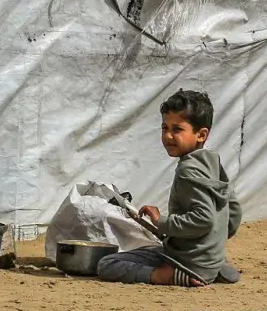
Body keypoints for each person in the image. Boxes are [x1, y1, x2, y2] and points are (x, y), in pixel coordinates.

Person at [96, 89, 241, 287]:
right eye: (165, 128)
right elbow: (233, 211)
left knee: (108, 263)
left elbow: (203, 219)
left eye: (177, 129)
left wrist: (160, 221)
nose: (168, 136)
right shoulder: (212, 161)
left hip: (188, 263)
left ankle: (167, 276)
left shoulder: (187, 170)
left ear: (201, 134)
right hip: (210, 261)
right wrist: (210, 248)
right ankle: (212, 268)